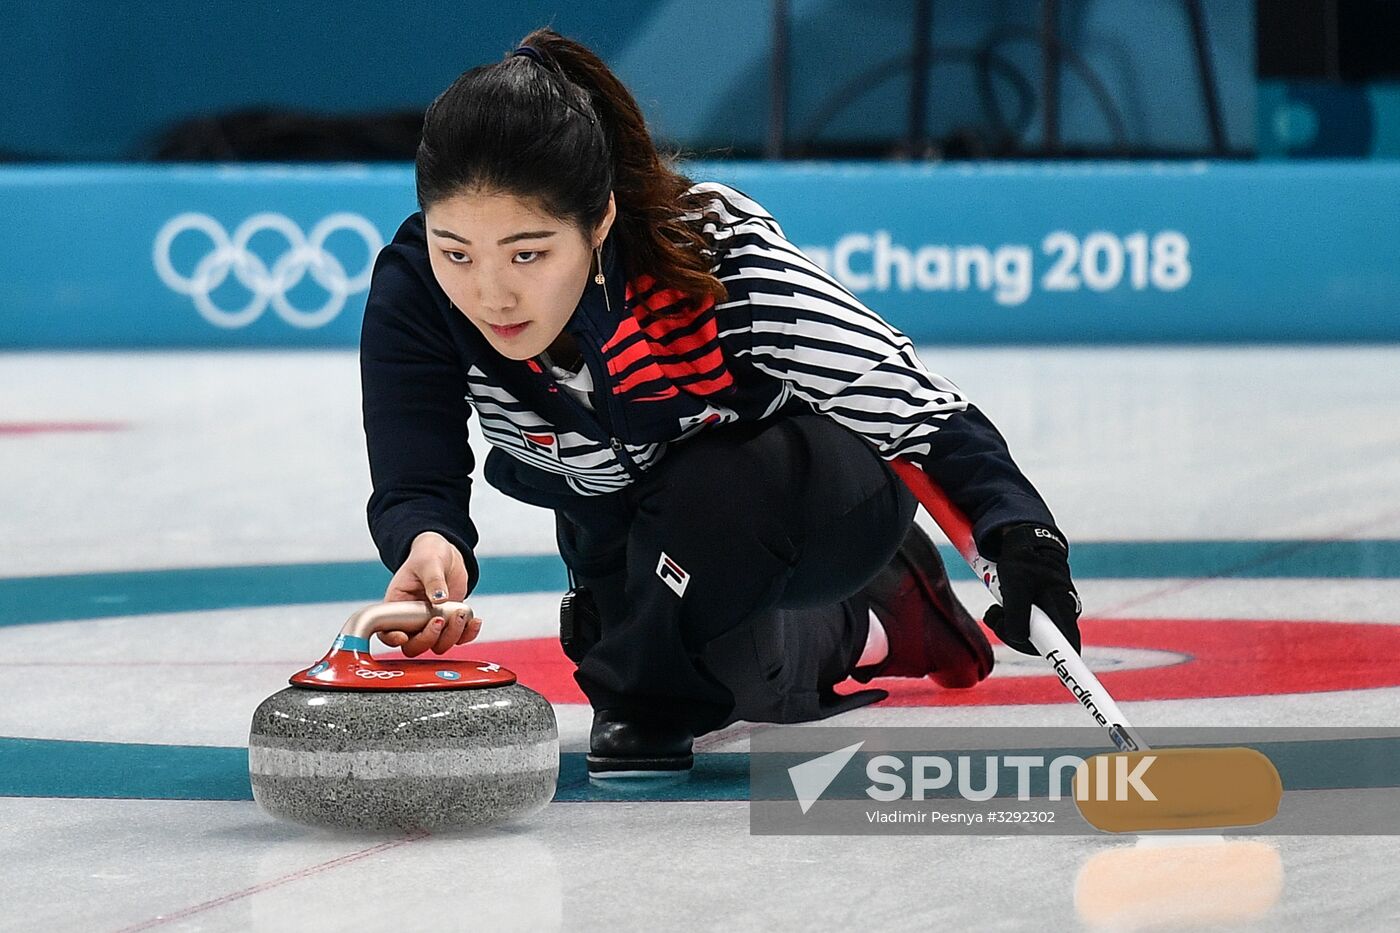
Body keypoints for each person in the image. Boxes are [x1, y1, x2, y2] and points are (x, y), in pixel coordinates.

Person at [360, 28, 1082, 777]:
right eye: (457, 252)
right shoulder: (418, 291)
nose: (490, 292)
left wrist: (1022, 534)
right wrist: (429, 542)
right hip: (626, 515)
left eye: (528, 253)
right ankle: (877, 619)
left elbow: (909, 400)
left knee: (656, 676)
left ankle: (831, 580)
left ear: (598, 222)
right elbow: (417, 472)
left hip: (813, 484)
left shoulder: (706, 247)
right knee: (734, 677)